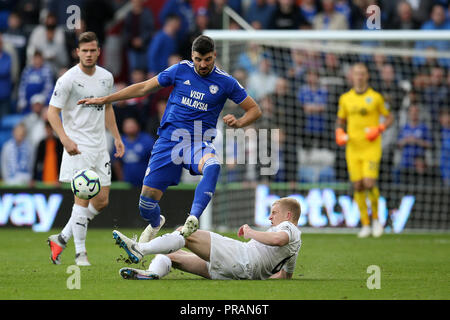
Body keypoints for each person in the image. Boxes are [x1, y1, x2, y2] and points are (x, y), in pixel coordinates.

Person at [79, 35, 262, 243]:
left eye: (208, 59)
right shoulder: (180, 70)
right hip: (167, 142)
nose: (202, 64)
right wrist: (106, 98)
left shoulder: (226, 82)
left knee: (212, 165)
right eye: (198, 59)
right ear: (192, 56)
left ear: (214, 56)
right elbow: (143, 87)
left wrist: (239, 122)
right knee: (146, 205)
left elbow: (255, 109)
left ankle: (192, 218)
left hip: (196, 142)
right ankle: (156, 223)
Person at [46, 31, 125, 266]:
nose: (89, 54)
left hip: (100, 147)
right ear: (77, 52)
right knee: (82, 199)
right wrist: (65, 140)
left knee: (101, 201)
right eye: (85, 51)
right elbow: (52, 112)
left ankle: (61, 237)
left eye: (93, 50)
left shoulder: (106, 78)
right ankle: (80, 254)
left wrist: (117, 137)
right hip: (77, 147)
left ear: (99, 52)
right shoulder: (68, 79)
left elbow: (107, 108)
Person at [114, 197, 301, 280]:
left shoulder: (288, 228)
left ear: (288, 215)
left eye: (274, 213)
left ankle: (140, 249)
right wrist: (261, 275)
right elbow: (285, 276)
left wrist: (250, 232)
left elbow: (278, 240)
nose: (270, 217)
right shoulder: (295, 248)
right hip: (237, 271)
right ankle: (151, 273)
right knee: (174, 256)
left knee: (185, 232)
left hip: (242, 256)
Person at [335, 63, 394, 238]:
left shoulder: (375, 97)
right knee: (358, 185)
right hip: (353, 148)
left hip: (371, 147)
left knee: (369, 182)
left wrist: (380, 128)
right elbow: (340, 120)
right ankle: (365, 224)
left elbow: (390, 117)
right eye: (356, 73)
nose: (359, 76)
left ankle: (376, 220)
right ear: (352, 76)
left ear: (367, 76)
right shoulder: (345, 98)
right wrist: (339, 132)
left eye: (362, 73)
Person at [112, 117, 155, 187]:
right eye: (127, 126)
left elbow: (154, 159)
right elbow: (116, 162)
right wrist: (121, 179)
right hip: (127, 182)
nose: (130, 128)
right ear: (123, 128)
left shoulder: (147, 140)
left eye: (132, 126)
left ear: (137, 126)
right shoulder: (120, 141)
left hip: (145, 182)